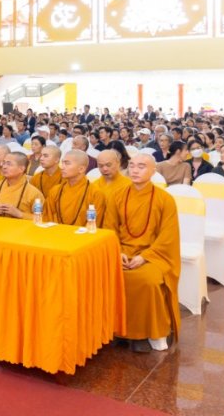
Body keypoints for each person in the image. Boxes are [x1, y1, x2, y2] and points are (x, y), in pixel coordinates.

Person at [112, 153, 181, 353]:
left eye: (141, 166)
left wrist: (144, 257)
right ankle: (114, 329)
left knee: (147, 281)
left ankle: (155, 332)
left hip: (154, 255)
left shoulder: (165, 199)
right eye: (132, 166)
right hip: (123, 252)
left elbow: (168, 237)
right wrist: (117, 251)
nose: (134, 170)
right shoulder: (118, 195)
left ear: (153, 171)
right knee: (106, 275)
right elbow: (109, 228)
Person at [43, 150, 109, 227]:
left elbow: (94, 225)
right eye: (62, 163)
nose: (62, 167)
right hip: (55, 232)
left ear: (81, 169)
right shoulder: (55, 191)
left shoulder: (95, 193)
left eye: (67, 163)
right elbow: (47, 218)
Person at [0, 151, 43, 220]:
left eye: (9, 164)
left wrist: (20, 214)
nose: (4, 167)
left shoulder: (34, 193)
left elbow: (42, 218)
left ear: (21, 169)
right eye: (4, 163)